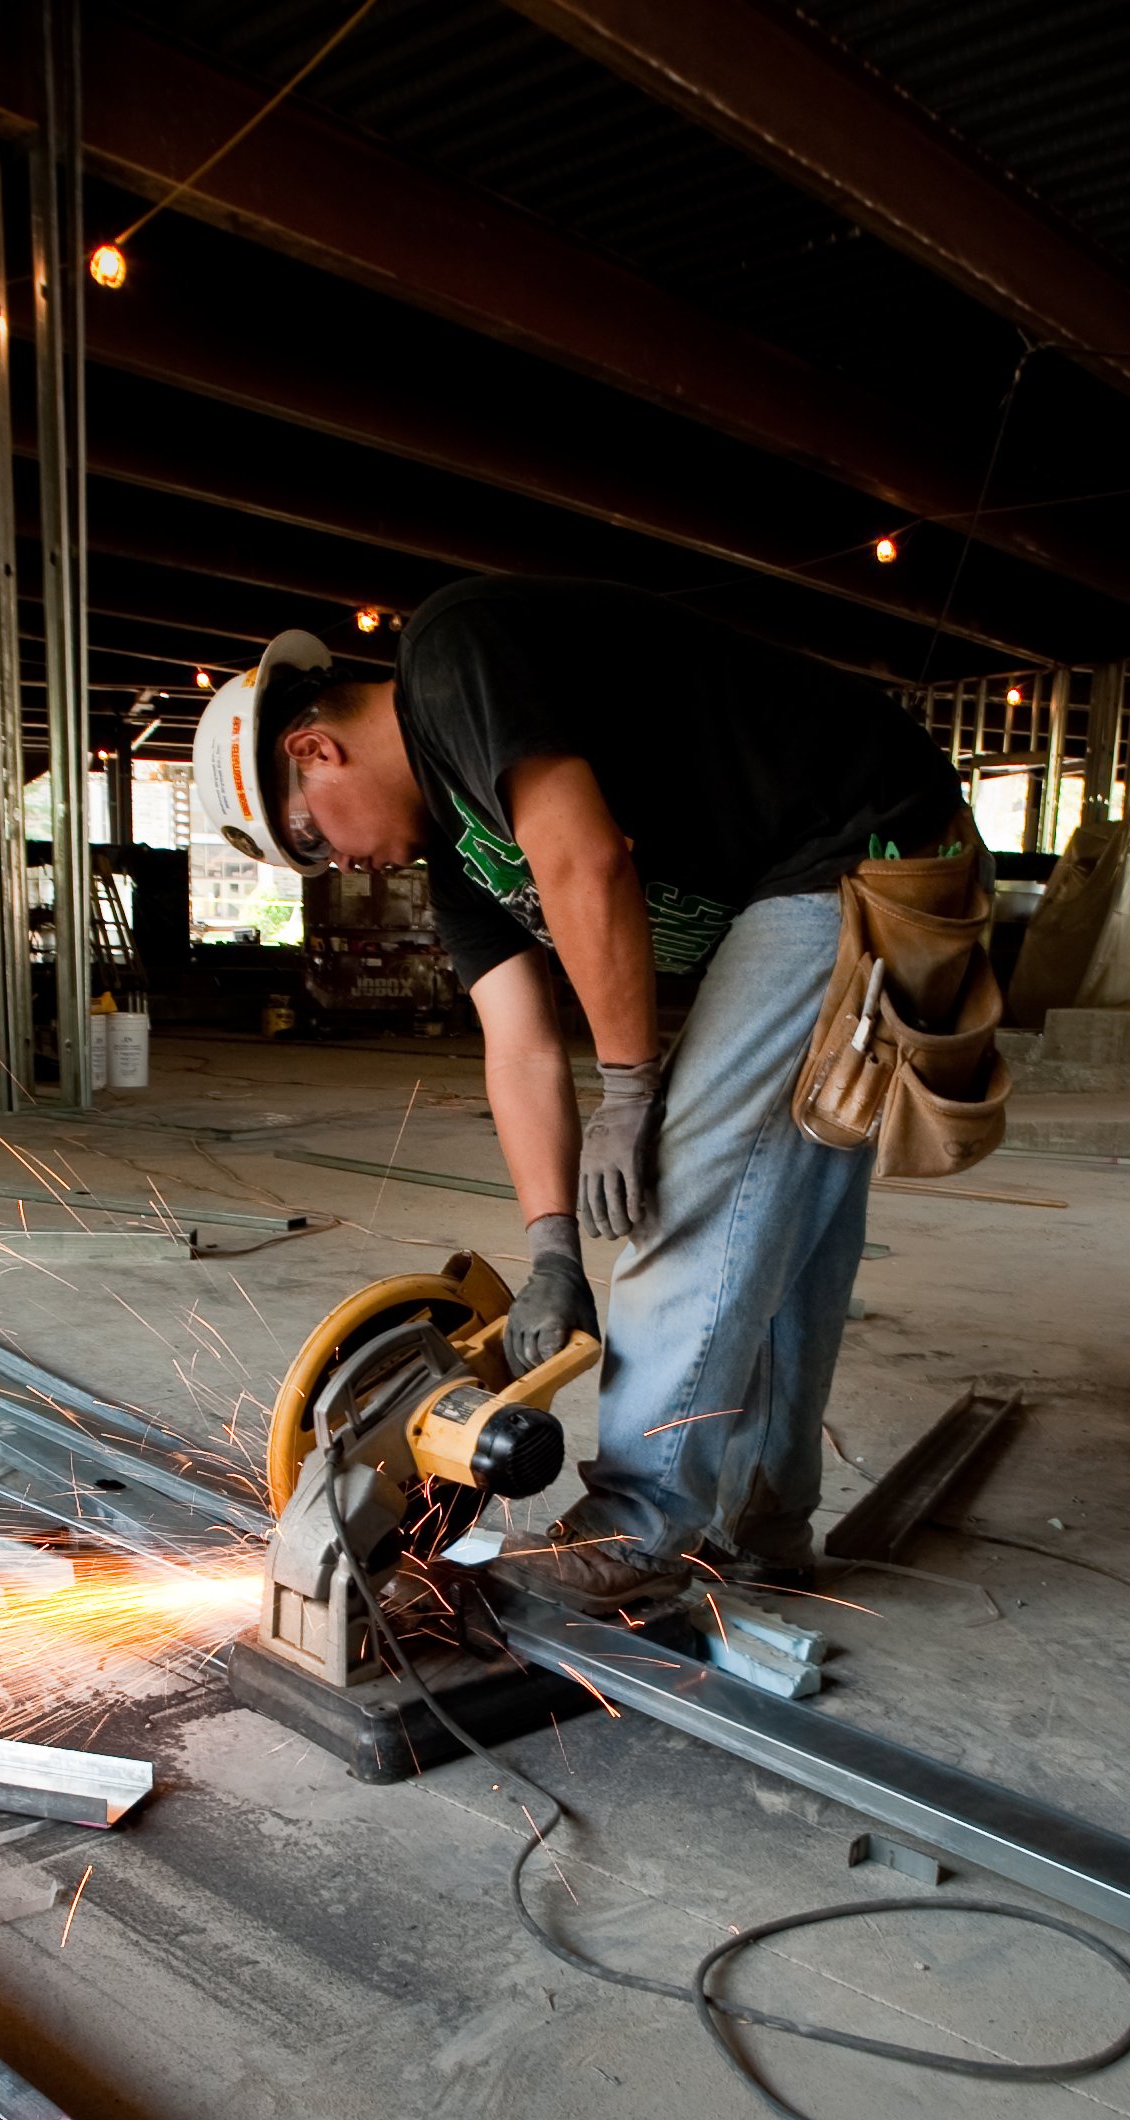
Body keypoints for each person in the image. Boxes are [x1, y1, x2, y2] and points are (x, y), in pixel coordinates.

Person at [189, 581, 968, 1606]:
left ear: (311, 751)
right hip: (824, 865)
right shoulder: (461, 862)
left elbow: (583, 859)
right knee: (781, 1208)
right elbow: (515, 1047)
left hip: (861, 843)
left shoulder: (448, 657)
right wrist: (551, 1247)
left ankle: (638, 1524)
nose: (340, 862)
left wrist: (631, 1094)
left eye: (312, 840)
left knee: (692, 1171)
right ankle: (762, 1521)